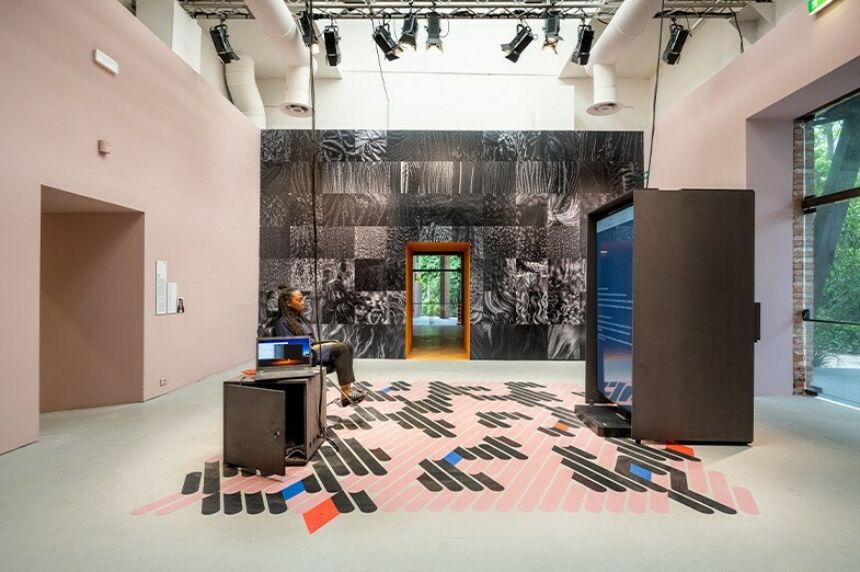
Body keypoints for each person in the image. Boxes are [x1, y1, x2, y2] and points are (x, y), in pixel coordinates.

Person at [276, 289, 367, 407]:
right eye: (299, 300)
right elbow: (292, 349)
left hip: (314, 351)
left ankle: (347, 391)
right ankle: (346, 393)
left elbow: (313, 342)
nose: (303, 302)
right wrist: (323, 346)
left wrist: (324, 344)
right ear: (288, 303)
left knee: (348, 345)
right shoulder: (283, 322)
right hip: (306, 356)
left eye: (303, 299)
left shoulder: (301, 319)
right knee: (341, 349)